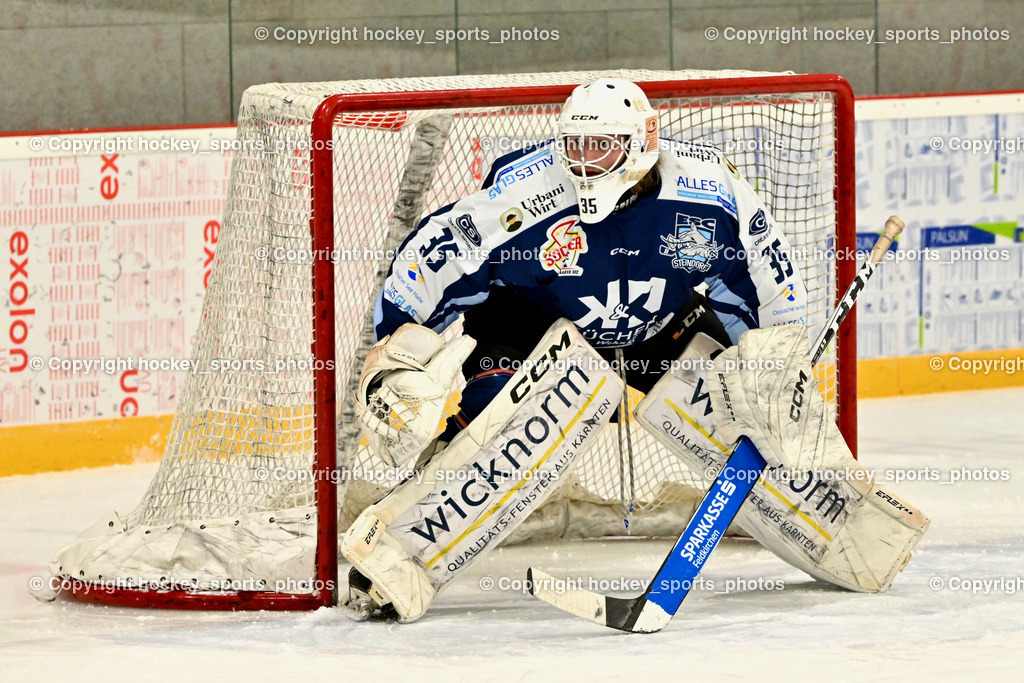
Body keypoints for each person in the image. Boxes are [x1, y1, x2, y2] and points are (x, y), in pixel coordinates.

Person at [341, 78, 837, 623]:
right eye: (574, 146)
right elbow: (432, 256)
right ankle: (392, 560)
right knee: (505, 431)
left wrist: (777, 358)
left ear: (641, 142)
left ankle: (841, 528)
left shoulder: (708, 192)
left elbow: (768, 279)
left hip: (658, 326)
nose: (583, 163)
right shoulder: (528, 193)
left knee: (753, 411)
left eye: (600, 146)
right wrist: (399, 350)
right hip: (531, 321)